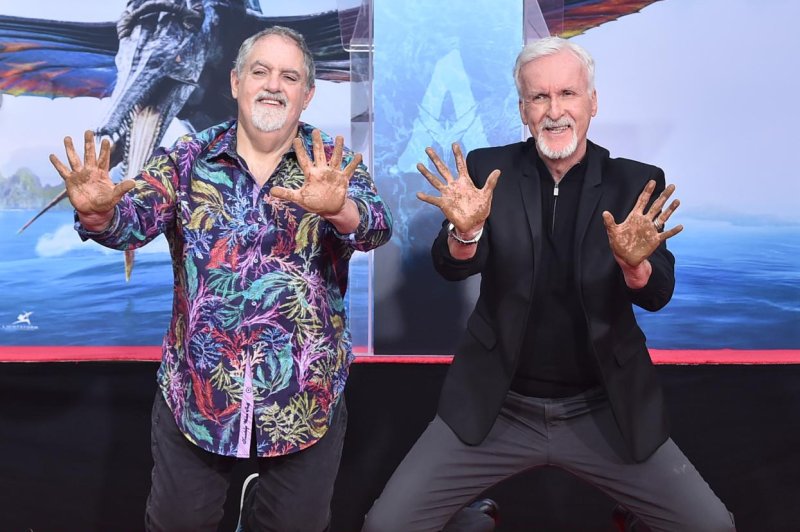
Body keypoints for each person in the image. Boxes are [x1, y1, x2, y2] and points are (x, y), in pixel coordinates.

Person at [363, 36, 734, 532]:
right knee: (384, 527)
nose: (554, 111)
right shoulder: (488, 170)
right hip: (497, 405)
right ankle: (473, 523)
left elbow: (657, 291)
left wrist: (634, 266)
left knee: (712, 527)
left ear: (592, 102)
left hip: (604, 409)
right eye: (540, 97)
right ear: (523, 108)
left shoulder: (634, 182)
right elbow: (451, 267)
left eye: (568, 94)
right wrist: (467, 231)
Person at [49, 26, 392, 532]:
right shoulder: (187, 161)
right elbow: (130, 222)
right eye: (260, 71)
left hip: (303, 400)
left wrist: (340, 208)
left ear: (308, 93)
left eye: (289, 76)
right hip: (197, 397)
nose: (273, 85)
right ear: (235, 83)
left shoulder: (330, 164)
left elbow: (376, 226)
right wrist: (100, 216)